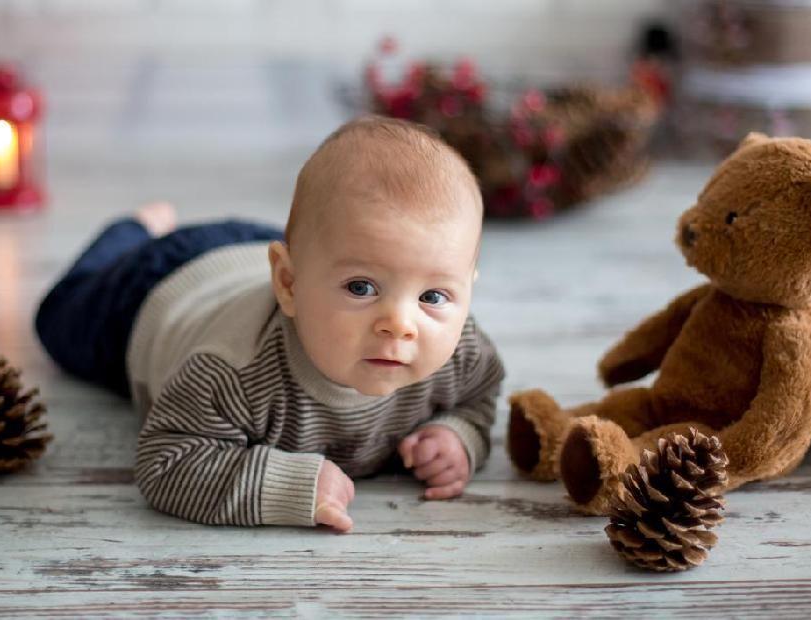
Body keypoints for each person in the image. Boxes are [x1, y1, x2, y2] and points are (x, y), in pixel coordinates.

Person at [35, 116, 505, 532]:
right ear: (287, 283)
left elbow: (478, 399)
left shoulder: (461, 352)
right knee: (58, 319)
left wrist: (458, 435)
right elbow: (167, 462)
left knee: (334, 234)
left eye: (434, 296)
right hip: (154, 286)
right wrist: (288, 486)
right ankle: (131, 231)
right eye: (362, 288)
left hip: (280, 251)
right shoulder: (232, 372)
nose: (400, 325)